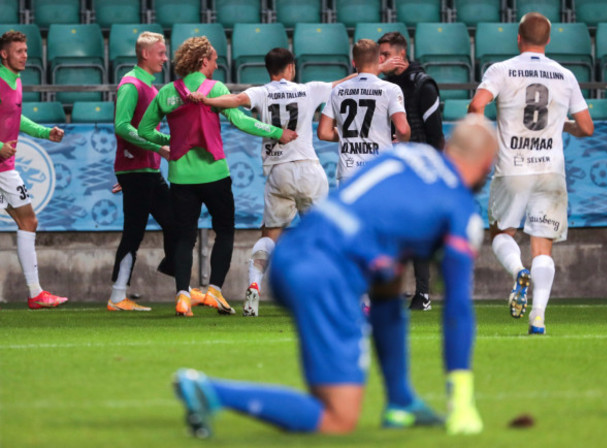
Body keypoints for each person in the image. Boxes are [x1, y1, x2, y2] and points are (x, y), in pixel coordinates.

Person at [172, 114, 498, 437]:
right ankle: (210, 391)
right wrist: (462, 401)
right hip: (328, 276)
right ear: (486, 163)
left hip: (291, 254)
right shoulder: (460, 209)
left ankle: (400, 402)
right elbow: (457, 308)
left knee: (389, 278)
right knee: (338, 419)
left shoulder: (409, 154)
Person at [137, 37, 297, 317]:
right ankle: (214, 291)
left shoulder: (167, 92)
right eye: (213, 59)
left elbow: (145, 131)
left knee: (185, 238)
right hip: (215, 175)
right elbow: (241, 121)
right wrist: (276, 132)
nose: (216, 64)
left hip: (181, 177)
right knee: (224, 231)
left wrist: (173, 142)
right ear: (203, 62)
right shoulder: (216, 90)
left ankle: (183, 296)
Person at [189, 48, 354, 316]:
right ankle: (328, 294)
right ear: (290, 67)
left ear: (269, 69)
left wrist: (205, 100)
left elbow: (234, 100)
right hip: (309, 169)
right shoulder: (308, 89)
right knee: (323, 236)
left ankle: (254, 285)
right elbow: (341, 84)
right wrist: (370, 71)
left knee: (269, 236)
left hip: (278, 171)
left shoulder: (261, 92)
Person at [468, 12, 593, 334]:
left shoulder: (502, 69)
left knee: (501, 233)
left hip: (512, 168)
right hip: (550, 170)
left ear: (519, 38)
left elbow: (477, 104)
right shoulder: (564, 75)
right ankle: (538, 317)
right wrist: (562, 126)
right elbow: (587, 128)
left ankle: (517, 272)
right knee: (543, 245)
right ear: (548, 40)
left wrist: (483, 131)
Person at [108, 31, 176, 312]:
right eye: (161, 53)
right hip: (138, 170)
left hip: (144, 171)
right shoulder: (131, 85)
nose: (165, 58)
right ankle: (117, 296)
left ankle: (176, 276)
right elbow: (121, 126)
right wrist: (160, 147)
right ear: (145, 54)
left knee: (177, 223)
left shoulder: (150, 87)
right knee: (134, 232)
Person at [378, 31, 446, 312]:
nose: (379, 61)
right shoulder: (382, 85)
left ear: (400, 55)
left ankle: (423, 294)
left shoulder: (423, 85)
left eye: (384, 55)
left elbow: (436, 135)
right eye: (378, 56)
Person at [0, 31, 67, 309]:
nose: (25, 55)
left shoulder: (15, 80)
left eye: (26, 50)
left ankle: (35, 293)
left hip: (5, 167)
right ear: (4, 54)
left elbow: (15, 117)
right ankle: (35, 293)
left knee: (28, 221)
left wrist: (43, 132)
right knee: (28, 221)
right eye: (19, 51)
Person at [318, 39, 410, 184]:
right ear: (380, 59)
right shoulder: (390, 89)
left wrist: (347, 134)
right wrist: (402, 140)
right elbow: (403, 130)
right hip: (379, 170)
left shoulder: (338, 91)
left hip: (348, 172)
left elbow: (323, 133)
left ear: (354, 63)